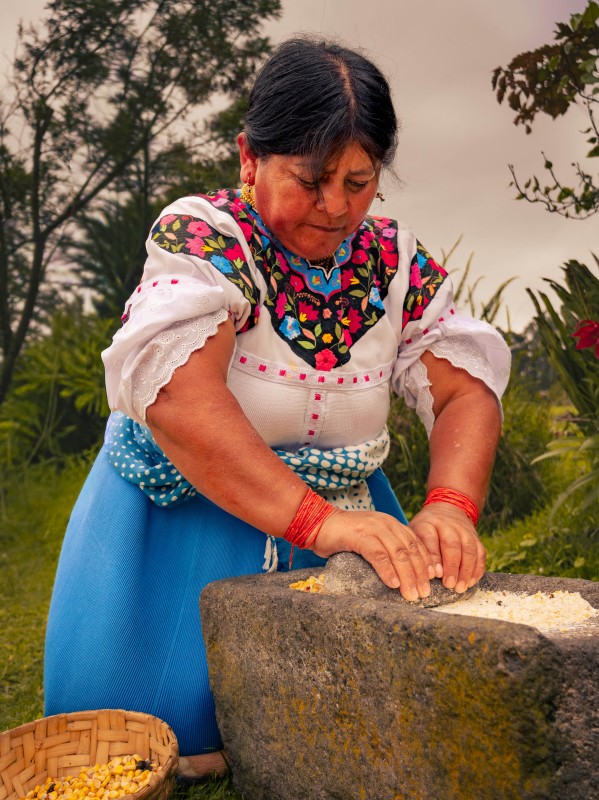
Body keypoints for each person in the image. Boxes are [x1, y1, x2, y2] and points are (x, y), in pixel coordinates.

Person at [44, 37, 510, 780]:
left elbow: (462, 390)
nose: (335, 208)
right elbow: (181, 401)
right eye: (311, 179)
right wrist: (318, 523)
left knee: (342, 741)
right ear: (248, 158)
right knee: (154, 750)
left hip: (344, 530)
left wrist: (451, 505)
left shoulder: (395, 265)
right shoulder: (204, 238)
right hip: (176, 538)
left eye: (359, 182)